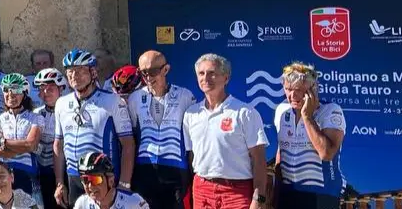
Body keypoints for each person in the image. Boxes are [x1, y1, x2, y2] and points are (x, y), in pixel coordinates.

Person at [182, 53, 270, 209]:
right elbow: (191, 157)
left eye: (212, 73)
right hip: (202, 190)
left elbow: (259, 160)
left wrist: (258, 199)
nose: (206, 78)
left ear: (226, 78)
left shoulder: (245, 112)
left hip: (237, 191)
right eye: (201, 73)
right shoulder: (191, 114)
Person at [53, 50, 134, 208]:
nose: (74, 76)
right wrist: (59, 183)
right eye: (70, 72)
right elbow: (58, 145)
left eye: (80, 71)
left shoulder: (112, 101)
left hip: (103, 176)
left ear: (93, 72)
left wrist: (125, 183)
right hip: (74, 178)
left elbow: (128, 144)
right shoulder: (61, 103)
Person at [273, 61, 346, 209]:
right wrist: (276, 192)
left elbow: (326, 153)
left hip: (321, 193)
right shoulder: (282, 110)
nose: (292, 95)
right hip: (288, 192)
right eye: (288, 89)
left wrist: (307, 117)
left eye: (299, 90)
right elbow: (282, 151)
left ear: (313, 89)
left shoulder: (330, 110)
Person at [127, 50, 194, 209]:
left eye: (153, 71)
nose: (148, 77)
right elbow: (133, 137)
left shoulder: (185, 96)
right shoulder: (135, 98)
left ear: (166, 69)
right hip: (144, 169)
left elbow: (193, 138)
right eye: (143, 73)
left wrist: (193, 172)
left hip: (176, 169)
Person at [0, 73, 44, 198]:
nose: (10, 94)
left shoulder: (36, 118)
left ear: (25, 93)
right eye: (6, 90)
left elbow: (31, 144)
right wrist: (23, 146)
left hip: (27, 173)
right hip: (4, 174)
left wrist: (3, 142)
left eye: (15, 90)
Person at [32, 68, 66, 209]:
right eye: (42, 88)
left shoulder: (68, 111)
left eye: (50, 88)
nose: (45, 93)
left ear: (61, 88)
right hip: (42, 172)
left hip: (64, 171)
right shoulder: (36, 113)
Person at [72, 152, 149, 209]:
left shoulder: (134, 202)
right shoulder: (82, 204)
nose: (90, 186)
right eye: (85, 180)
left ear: (111, 181)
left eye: (95, 180)